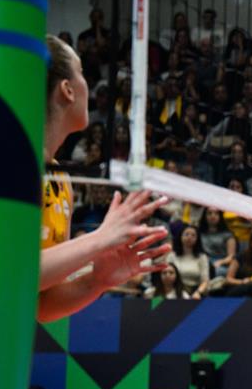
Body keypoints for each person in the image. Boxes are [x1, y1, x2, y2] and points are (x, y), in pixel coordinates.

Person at [37, 36, 170, 322]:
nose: (88, 84)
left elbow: (40, 303)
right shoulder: (9, 162)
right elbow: (9, 272)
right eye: (82, 72)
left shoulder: (59, 179)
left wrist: (96, 281)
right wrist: (101, 238)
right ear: (67, 90)